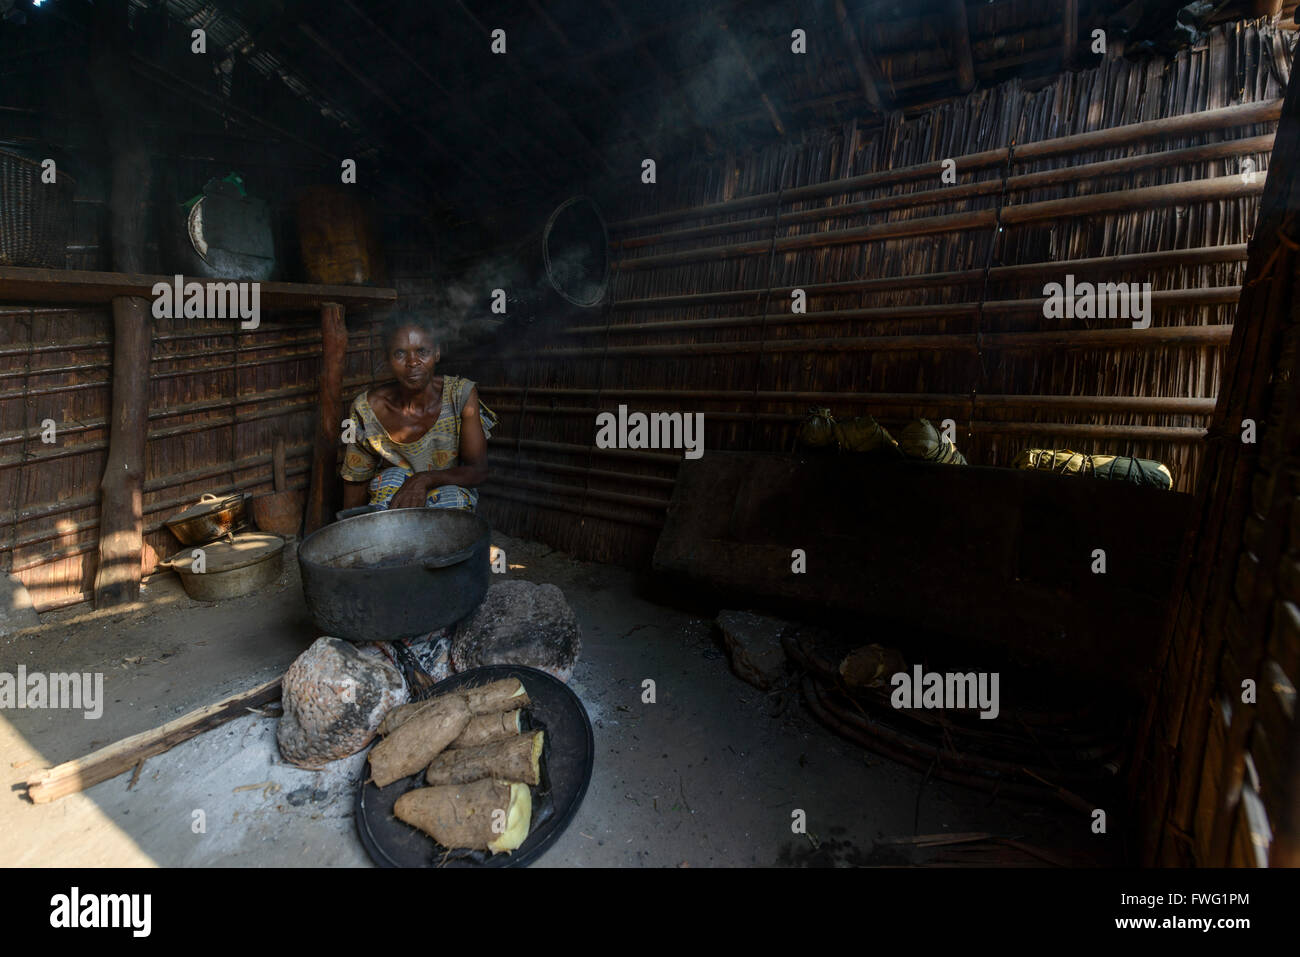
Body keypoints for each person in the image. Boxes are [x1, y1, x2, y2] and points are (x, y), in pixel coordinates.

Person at [339, 316, 497, 513]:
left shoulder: (460, 395)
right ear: (387, 360)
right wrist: (351, 530)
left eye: (422, 351)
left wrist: (423, 479)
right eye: (399, 354)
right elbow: (357, 476)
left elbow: (478, 471)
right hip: (396, 492)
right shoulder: (367, 408)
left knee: (452, 498)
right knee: (390, 478)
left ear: (437, 353)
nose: (413, 362)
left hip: (447, 488)